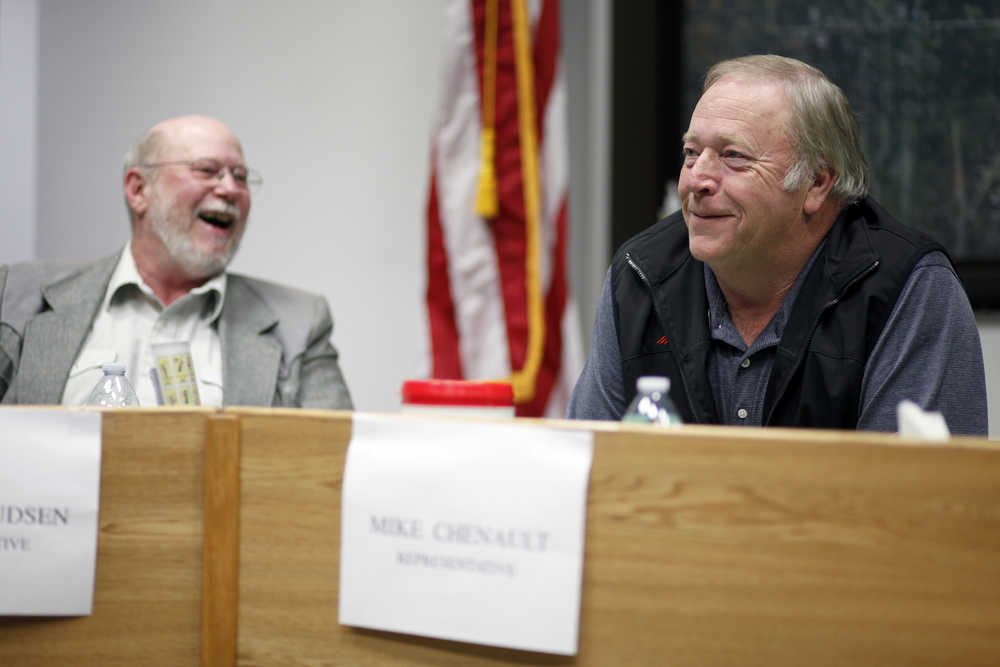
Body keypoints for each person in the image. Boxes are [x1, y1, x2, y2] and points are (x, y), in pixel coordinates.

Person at [568, 55, 987, 434]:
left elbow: (919, 501)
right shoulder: (641, 275)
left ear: (817, 183)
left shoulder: (905, 289)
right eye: (691, 152)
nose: (697, 180)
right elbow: (585, 475)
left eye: (734, 156)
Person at [0, 115, 352, 409]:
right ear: (139, 191)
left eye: (240, 176)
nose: (230, 189)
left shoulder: (300, 323)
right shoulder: (16, 296)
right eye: (207, 170)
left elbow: (332, 465)